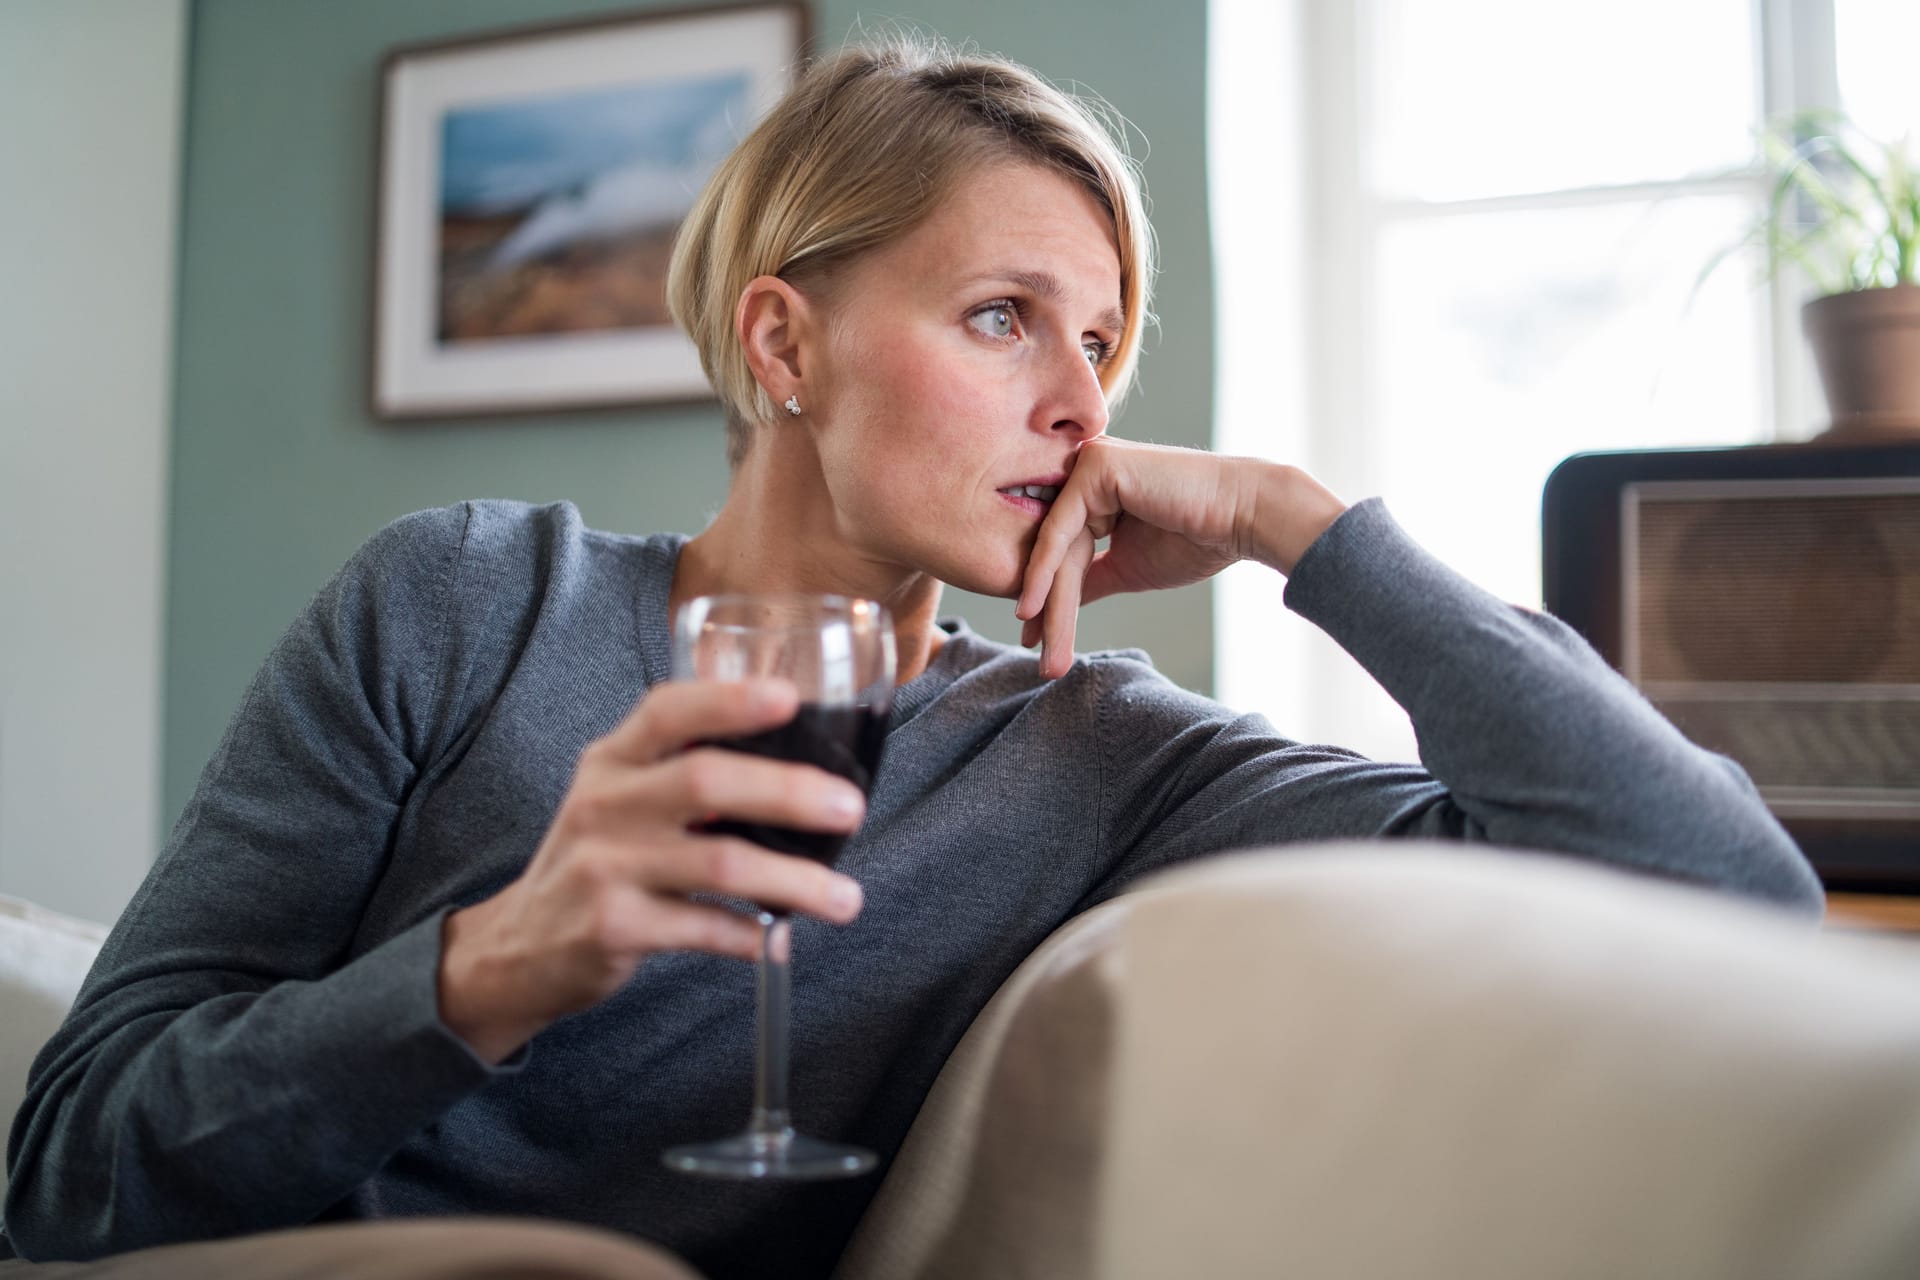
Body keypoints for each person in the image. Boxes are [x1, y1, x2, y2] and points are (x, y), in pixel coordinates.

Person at [2, 32, 1822, 1280]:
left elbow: (1724, 887)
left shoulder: (1097, 745)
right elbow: (72, 1168)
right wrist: (496, 966)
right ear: (783, 341)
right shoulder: (463, 603)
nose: (1079, 401)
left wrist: (1298, 524)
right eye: (1001, 318)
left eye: (1103, 341)